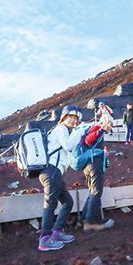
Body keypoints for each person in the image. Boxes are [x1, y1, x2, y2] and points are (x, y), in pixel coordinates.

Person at [37, 105, 82, 251]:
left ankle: (57, 232)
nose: (73, 121)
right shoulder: (61, 129)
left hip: (55, 173)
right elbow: (68, 146)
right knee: (50, 204)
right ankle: (45, 239)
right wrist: (80, 131)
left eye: (76, 119)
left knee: (68, 202)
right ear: (63, 117)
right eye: (71, 117)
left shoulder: (66, 132)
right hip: (51, 171)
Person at [81, 115, 115, 231]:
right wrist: (101, 129)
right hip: (94, 165)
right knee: (96, 192)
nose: (111, 127)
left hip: (88, 165)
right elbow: (88, 140)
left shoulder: (97, 131)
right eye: (110, 124)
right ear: (105, 122)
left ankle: (84, 218)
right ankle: (89, 222)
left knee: (92, 192)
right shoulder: (97, 129)